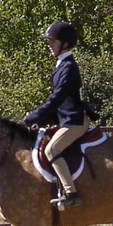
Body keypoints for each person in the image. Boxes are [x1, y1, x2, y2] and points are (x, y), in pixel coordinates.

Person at [24, 21, 90, 208]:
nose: (49, 45)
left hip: (74, 121)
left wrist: (35, 116)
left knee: (51, 150)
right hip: (66, 119)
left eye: (53, 42)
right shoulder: (62, 65)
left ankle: (71, 192)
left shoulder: (68, 67)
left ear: (65, 44)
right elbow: (59, 102)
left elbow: (56, 99)